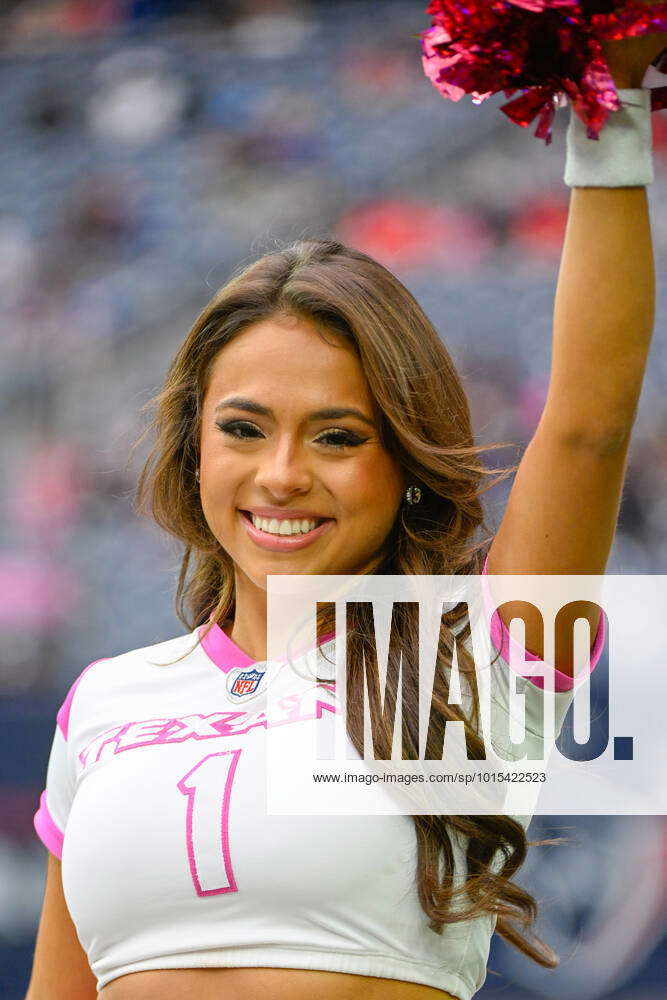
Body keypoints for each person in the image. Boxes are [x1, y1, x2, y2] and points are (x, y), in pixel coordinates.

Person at [26, 28, 664, 1000]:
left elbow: (584, 425)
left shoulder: (473, 660)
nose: (281, 475)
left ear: (404, 463)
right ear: (195, 444)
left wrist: (607, 115)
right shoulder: (103, 701)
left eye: (336, 437)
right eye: (244, 428)